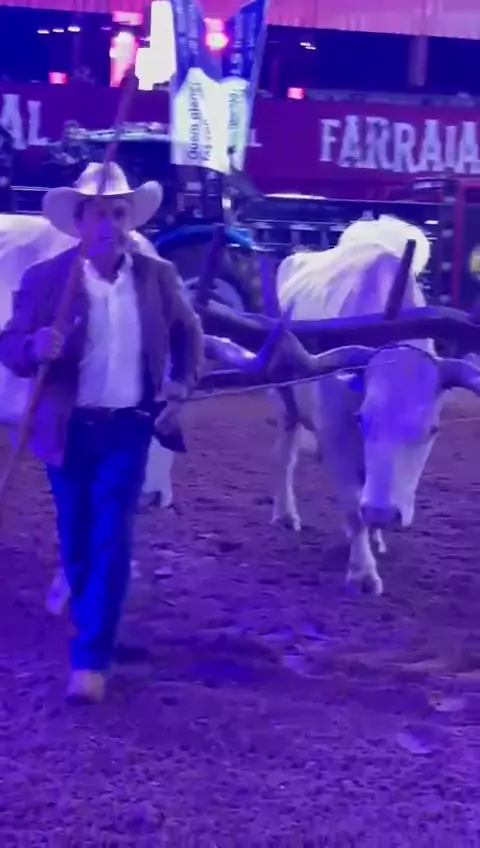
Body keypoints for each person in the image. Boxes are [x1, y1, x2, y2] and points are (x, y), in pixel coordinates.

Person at [0, 161, 204, 704]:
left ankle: (91, 656)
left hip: (127, 427)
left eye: (117, 213)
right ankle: (94, 620)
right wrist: (33, 347)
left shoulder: (157, 277)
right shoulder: (47, 281)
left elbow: (189, 334)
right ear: (79, 222)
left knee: (112, 535)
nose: (107, 225)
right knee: (77, 538)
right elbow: (10, 344)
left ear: (129, 219)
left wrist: (182, 382)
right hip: (67, 428)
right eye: (96, 214)